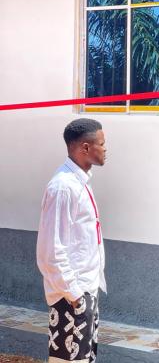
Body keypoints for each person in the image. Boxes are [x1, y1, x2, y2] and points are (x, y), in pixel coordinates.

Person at [37, 118, 107, 363]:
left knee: (84, 359)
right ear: (85, 148)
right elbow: (50, 250)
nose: (106, 148)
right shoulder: (63, 187)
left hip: (85, 290)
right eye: (102, 143)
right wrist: (75, 296)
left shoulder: (79, 183)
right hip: (71, 296)